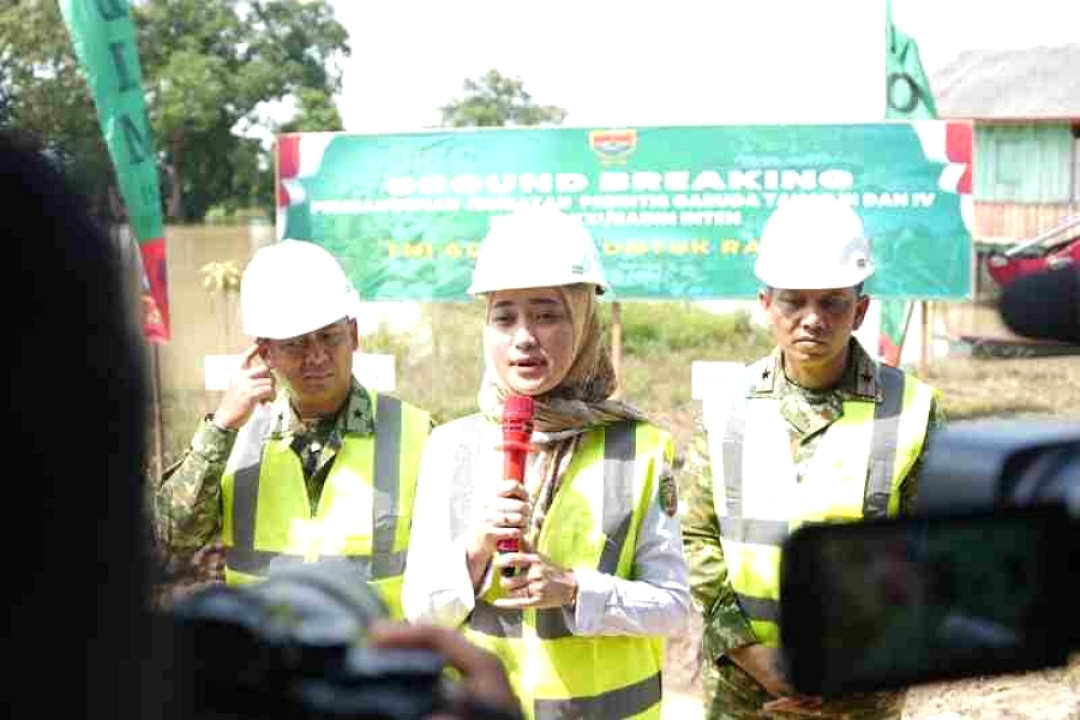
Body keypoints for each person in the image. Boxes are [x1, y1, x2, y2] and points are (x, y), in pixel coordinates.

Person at [402, 206, 691, 719]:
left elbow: (672, 606)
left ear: (583, 321)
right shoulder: (450, 445)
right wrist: (475, 549)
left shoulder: (640, 447)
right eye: (504, 317)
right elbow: (421, 612)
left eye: (547, 315)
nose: (524, 337)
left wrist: (576, 590)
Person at [682, 195, 944, 720]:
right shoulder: (727, 405)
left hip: (860, 689)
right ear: (765, 304)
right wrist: (750, 652)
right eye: (793, 302)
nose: (812, 319)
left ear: (860, 310)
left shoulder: (911, 408)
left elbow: (933, 551)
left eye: (832, 303)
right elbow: (695, 538)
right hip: (742, 688)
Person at [154, 238, 431, 618]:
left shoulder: (417, 433)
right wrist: (221, 425)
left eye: (329, 337)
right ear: (265, 352)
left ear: (353, 335)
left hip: (374, 650)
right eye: (295, 344)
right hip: (264, 651)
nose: (316, 356)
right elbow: (175, 535)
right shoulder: (235, 437)